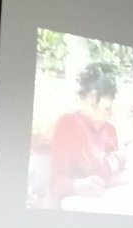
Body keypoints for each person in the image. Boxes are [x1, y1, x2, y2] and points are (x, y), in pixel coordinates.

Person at [49, 63, 124, 202]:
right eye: (93, 107)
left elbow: (111, 174)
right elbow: (54, 184)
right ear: (79, 100)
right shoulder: (67, 125)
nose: (99, 116)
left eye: (106, 109)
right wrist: (77, 186)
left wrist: (117, 178)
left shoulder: (110, 131)